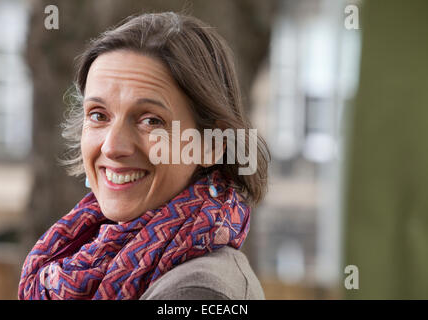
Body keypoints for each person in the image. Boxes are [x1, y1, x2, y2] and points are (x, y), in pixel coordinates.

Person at [18, 11, 270, 300]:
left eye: (150, 120)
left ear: (212, 145)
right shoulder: (82, 252)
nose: (113, 146)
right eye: (99, 115)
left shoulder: (198, 293)